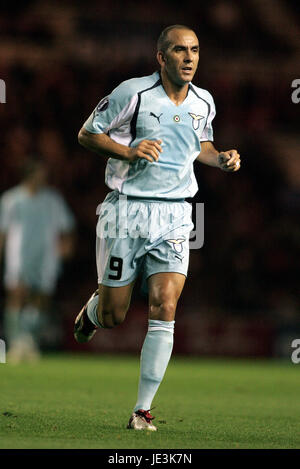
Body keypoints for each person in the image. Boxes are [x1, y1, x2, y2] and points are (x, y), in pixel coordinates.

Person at [74, 24, 241, 431]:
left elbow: (200, 144)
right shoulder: (132, 93)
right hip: (126, 212)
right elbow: (87, 134)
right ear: (161, 57)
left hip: (176, 215)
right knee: (115, 316)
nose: (189, 58)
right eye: (180, 51)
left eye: (195, 50)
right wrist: (129, 151)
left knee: (165, 306)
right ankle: (94, 312)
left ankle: (141, 410)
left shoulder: (204, 101)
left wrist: (219, 159)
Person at [0, 159, 75, 362]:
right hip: (18, 255)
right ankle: (16, 343)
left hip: (46, 256)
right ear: (29, 174)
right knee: (17, 295)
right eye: (39, 173)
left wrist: (66, 245)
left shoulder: (53, 200)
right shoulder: (11, 200)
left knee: (41, 298)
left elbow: (67, 227)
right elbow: (3, 232)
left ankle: (29, 341)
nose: (43, 177)